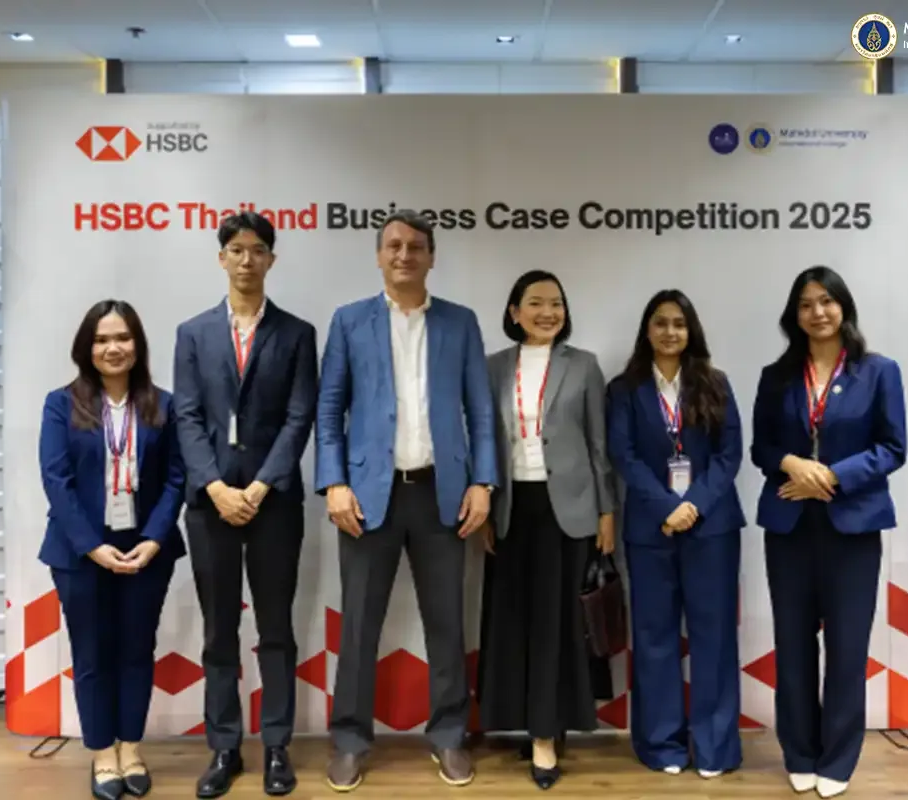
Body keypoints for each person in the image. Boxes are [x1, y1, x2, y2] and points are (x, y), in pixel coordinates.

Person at [315, 209, 498, 792]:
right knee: (359, 625)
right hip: (368, 497)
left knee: (446, 623)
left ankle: (448, 735)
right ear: (378, 255)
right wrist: (334, 482)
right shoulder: (349, 321)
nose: (404, 255)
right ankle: (350, 739)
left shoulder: (460, 323)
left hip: (443, 494)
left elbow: (480, 412)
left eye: (416, 246)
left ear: (431, 257)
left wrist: (483, 482)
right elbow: (329, 410)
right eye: (393, 245)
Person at [173, 212, 318, 798]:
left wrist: (259, 487)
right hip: (211, 504)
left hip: (272, 502)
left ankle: (277, 745)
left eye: (257, 250)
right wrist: (215, 487)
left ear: (271, 260)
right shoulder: (193, 333)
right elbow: (186, 416)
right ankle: (225, 747)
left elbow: (299, 416)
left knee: (276, 627)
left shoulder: (297, 333)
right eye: (236, 249)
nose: (246, 259)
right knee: (219, 630)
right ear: (221, 258)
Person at [750, 266, 906, 799]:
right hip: (789, 526)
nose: (817, 312)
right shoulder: (776, 376)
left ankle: (838, 758)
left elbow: (893, 448)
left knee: (847, 648)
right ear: (793, 315)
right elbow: (761, 447)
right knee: (792, 646)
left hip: (853, 526)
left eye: (826, 301)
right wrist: (792, 463)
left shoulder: (879, 371)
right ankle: (799, 752)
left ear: (843, 306)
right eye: (806, 304)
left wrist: (832, 476)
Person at [37, 300, 186, 800]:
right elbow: (56, 480)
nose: (113, 348)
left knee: (136, 651)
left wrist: (154, 538)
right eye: (102, 339)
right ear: (87, 347)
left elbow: (176, 478)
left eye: (122, 337)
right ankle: (102, 753)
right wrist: (91, 546)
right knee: (93, 654)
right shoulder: (61, 404)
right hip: (80, 552)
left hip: (146, 550)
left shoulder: (163, 405)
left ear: (137, 344)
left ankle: (131, 749)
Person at [475, 269, 615, 790]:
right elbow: (483, 441)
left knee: (558, 624)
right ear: (515, 312)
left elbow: (599, 445)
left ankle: (546, 735)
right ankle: (527, 719)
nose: (547, 312)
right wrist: (486, 506)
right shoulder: (492, 367)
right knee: (512, 622)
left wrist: (606, 512)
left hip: (569, 511)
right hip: (512, 507)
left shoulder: (584, 365)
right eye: (535, 303)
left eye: (556, 303)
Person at [606, 289, 745, 779]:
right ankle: (661, 745)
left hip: (712, 528)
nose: (670, 332)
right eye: (661, 323)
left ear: (692, 331)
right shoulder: (624, 389)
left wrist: (693, 505)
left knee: (714, 637)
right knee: (654, 638)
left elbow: (730, 455)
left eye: (679, 324)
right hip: (651, 529)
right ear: (647, 330)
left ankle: (714, 748)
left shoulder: (715, 383)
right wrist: (668, 508)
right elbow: (623, 456)